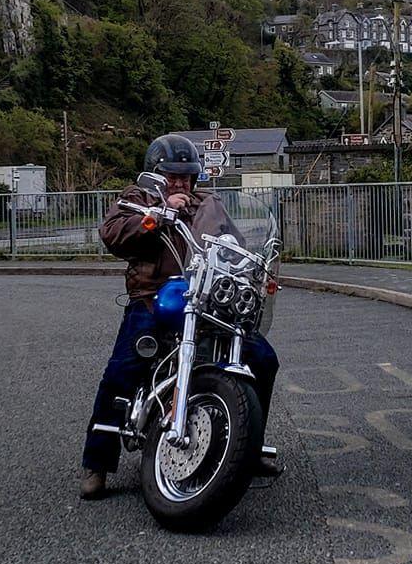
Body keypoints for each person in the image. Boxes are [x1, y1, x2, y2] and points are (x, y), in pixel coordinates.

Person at [78, 134, 279, 500]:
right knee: (122, 370)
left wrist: (250, 260)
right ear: (157, 173)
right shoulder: (139, 198)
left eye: (186, 176)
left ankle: (249, 447)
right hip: (156, 297)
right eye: (173, 176)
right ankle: (97, 463)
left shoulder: (209, 203)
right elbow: (112, 233)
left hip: (206, 299)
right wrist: (155, 216)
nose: (181, 182)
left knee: (262, 359)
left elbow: (234, 241)